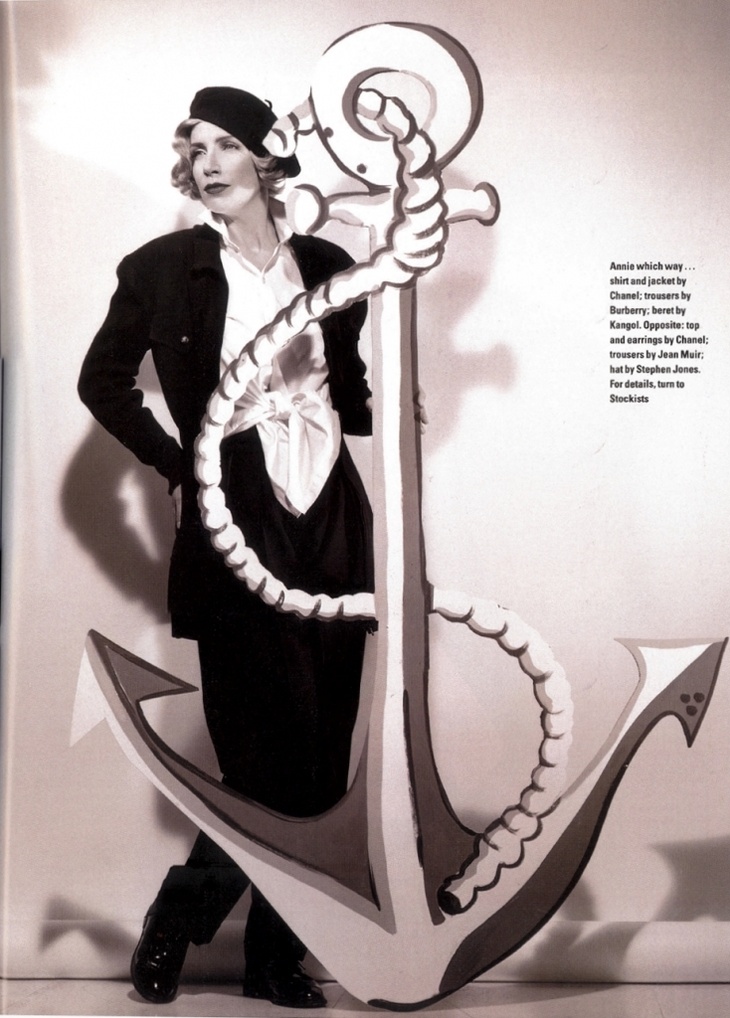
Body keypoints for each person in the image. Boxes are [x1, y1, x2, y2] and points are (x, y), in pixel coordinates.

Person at [78, 86, 373, 1008]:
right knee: (257, 757)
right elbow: (101, 380)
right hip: (234, 500)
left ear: (266, 158)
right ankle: (179, 916)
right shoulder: (163, 268)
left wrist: (388, 403)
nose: (206, 163)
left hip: (331, 505)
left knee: (322, 752)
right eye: (194, 148)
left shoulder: (329, 264)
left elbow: (348, 382)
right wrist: (180, 466)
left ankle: (273, 960)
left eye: (225, 145)